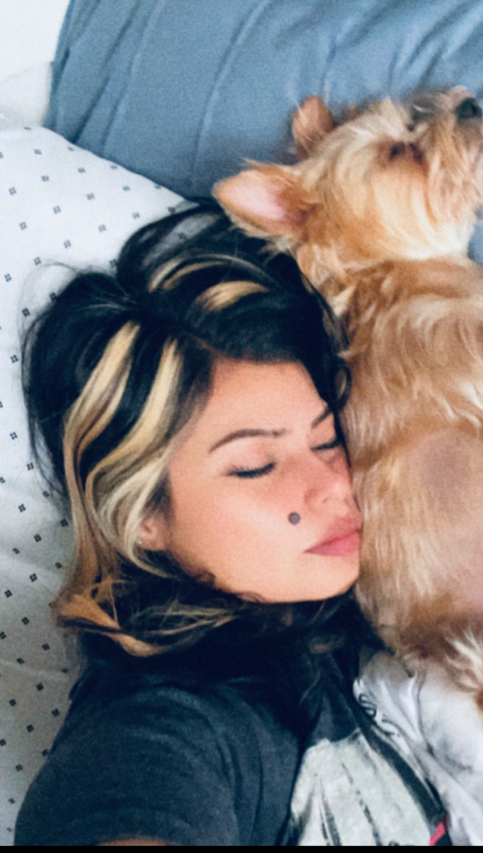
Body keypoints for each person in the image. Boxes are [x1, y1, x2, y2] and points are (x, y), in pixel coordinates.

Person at [14, 206, 450, 846]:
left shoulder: (359, 624)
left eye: (327, 440)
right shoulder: (156, 732)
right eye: (254, 465)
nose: (334, 484)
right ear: (142, 519)